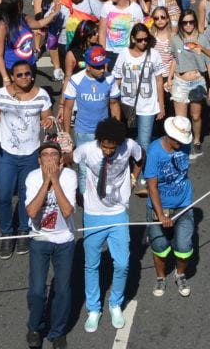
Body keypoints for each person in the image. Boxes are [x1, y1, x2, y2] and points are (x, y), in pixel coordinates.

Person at [74, 117, 143, 331]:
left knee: (122, 263)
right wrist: (77, 193)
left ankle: (115, 304)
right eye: (104, 147)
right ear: (99, 141)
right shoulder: (87, 149)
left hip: (118, 213)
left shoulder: (129, 146)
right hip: (93, 214)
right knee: (91, 265)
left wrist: (133, 178)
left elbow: (141, 158)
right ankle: (94, 309)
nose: (107, 152)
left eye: (112, 148)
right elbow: (70, 160)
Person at [0, 59, 53, 258]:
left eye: (27, 74)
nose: (24, 78)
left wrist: (48, 120)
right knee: (3, 196)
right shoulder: (2, 94)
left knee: (25, 195)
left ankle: (22, 231)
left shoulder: (41, 95)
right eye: (19, 75)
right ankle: (6, 235)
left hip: (31, 153)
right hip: (7, 154)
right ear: (12, 76)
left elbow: (48, 117)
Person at [23, 144, 79, 349]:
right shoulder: (32, 177)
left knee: (62, 290)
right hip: (40, 239)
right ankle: (35, 327)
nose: (49, 159)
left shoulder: (69, 176)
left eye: (53, 155)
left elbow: (67, 211)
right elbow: (31, 211)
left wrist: (55, 181)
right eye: (44, 156)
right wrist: (46, 181)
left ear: (60, 160)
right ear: (39, 160)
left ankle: (58, 332)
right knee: (37, 290)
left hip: (64, 241)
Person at [143, 116, 197, 297]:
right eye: (179, 141)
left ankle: (180, 274)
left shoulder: (185, 146)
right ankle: (160, 277)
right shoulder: (154, 152)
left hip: (184, 205)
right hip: (159, 208)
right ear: (169, 136)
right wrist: (161, 215)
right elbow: (152, 186)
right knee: (160, 247)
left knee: (184, 248)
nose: (182, 144)